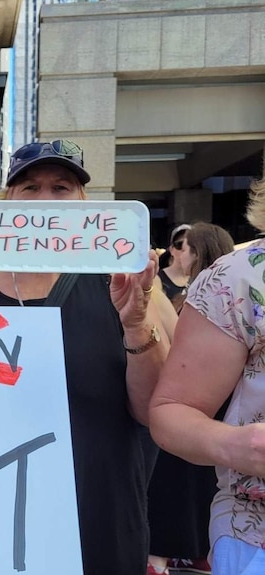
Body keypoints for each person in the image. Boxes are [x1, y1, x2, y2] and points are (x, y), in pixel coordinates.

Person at [0, 139, 168, 575]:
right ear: (8, 201)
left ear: (83, 202)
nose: (45, 201)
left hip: (99, 510)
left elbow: (149, 411)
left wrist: (137, 325)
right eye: (29, 188)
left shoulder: (120, 279)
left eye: (61, 188)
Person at [146, 222, 238, 575]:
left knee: (178, 481)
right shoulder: (220, 286)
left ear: (198, 252)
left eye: (182, 246)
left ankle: (165, 555)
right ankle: (195, 548)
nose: (175, 252)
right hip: (217, 409)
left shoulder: (210, 290)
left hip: (196, 405)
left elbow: (173, 344)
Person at [158, 223, 191, 312]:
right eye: (179, 244)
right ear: (171, 250)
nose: (185, 249)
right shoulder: (157, 278)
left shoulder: (201, 278)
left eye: (191, 245)